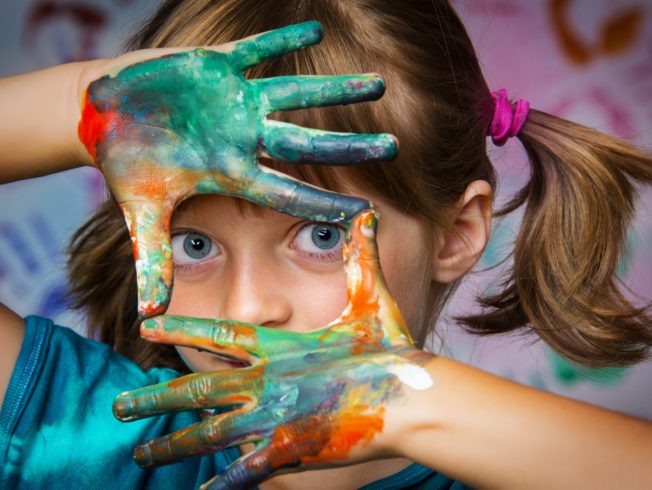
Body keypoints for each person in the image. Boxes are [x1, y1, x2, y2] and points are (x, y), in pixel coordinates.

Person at [1, 0, 652, 489]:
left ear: (456, 235)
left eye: (319, 234)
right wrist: (85, 107)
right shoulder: (75, 438)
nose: (248, 307)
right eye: (194, 243)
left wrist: (405, 401)